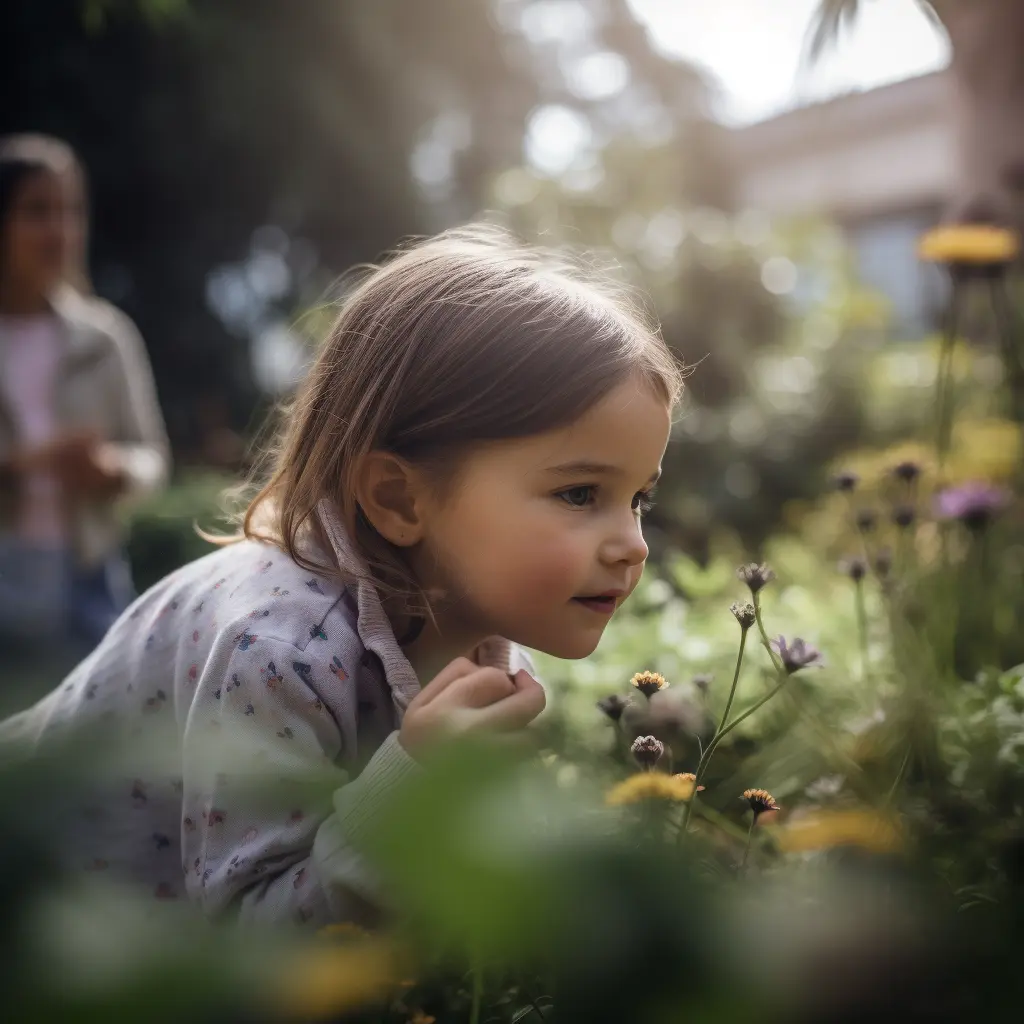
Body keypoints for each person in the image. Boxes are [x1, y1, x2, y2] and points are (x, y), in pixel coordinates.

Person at [1, 226, 682, 926]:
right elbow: (246, 942)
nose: (632, 543)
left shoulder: (481, 622)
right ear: (397, 499)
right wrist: (413, 794)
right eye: (579, 494)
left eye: (639, 499)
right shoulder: (279, 646)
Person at [0, 135, 169, 689]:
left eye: (69, 210)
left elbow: (152, 457)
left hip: (88, 576)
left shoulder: (106, 337)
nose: (58, 230)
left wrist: (113, 468)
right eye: (36, 211)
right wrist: (28, 462)